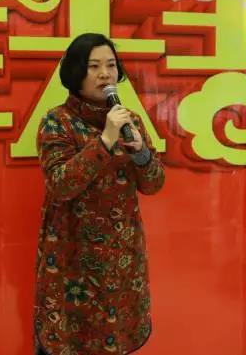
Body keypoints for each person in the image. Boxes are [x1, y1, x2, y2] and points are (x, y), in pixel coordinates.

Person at [33, 33, 165, 355]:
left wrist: (141, 154)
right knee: (71, 340)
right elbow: (61, 184)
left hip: (122, 259)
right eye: (94, 67)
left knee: (117, 338)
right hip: (72, 260)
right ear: (76, 71)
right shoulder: (57, 121)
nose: (105, 74)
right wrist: (105, 140)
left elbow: (154, 183)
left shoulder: (130, 120)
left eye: (110, 65)